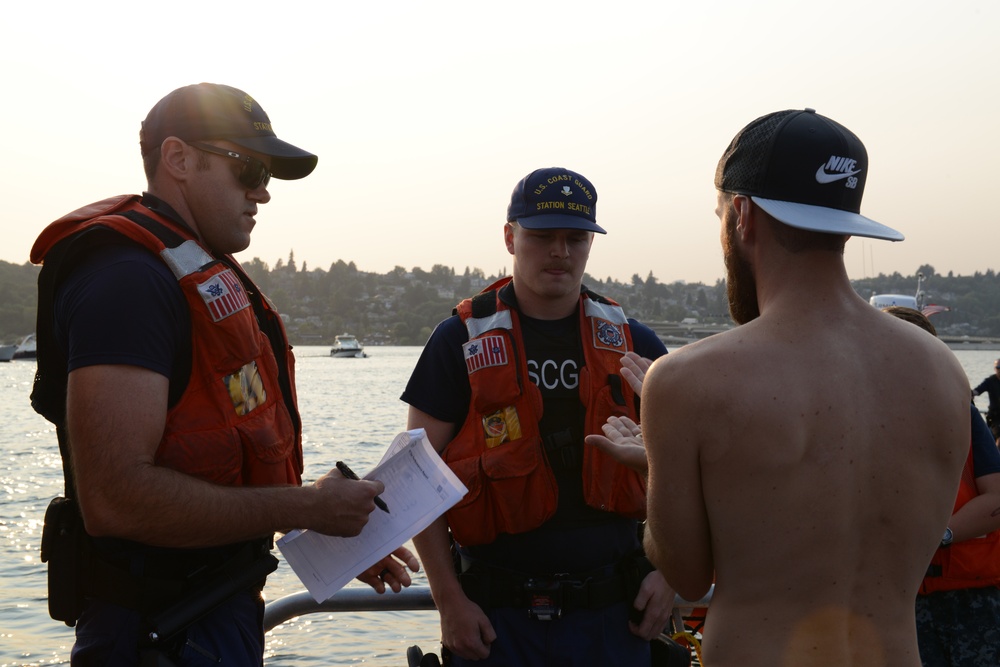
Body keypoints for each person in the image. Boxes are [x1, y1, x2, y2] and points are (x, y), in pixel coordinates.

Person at [29, 82, 418, 666]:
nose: (262, 192)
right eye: (248, 169)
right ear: (179, 159)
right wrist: (306, 509)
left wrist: (324, 529)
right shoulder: (128, 283)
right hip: (153, 635)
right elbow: (116, 499)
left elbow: (221, 466)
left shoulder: (191, 276)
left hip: (211, 620)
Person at [593, 109, 971, 666]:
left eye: (720, 212)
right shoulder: (942, 371)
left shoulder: (686, 381)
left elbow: (688, 575)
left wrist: (656, 468)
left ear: (741, 215)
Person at [401, 167, 675, 666]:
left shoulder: (637, 345)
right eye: (542, 236)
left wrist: (672, 574)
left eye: (575, 238)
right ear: (510, 237)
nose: (560, 252)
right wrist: (447, 600)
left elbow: (699, 472)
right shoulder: (457, 343)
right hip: (495, 621)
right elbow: (416, 478)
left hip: (616, 619)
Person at [881, 308, 1000, 666]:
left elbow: (996, 497)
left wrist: (939, 535)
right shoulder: (846, 416)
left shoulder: (961, 415)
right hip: (892, 600)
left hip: (972, 597)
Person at [971, 359, 1000, 441]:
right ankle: (996, 453)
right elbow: (977, 391)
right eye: (998, 368)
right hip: (995, 418)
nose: (999, 370)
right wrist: (969, 393)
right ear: (995, 368)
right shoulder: (990, 381)